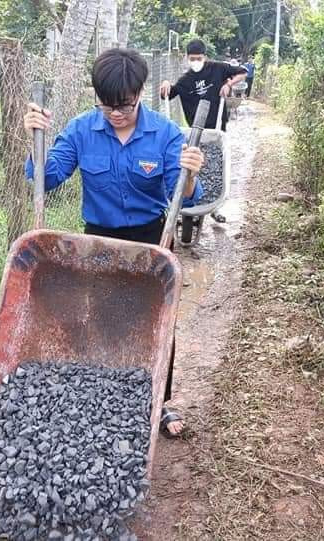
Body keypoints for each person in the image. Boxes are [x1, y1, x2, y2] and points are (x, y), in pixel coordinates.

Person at [23, 48, 205, 438]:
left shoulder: (166, 134)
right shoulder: (81, 130)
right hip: (99, 241)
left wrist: (189, 174)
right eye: (107, 106)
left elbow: (185, 196)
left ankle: (160, 402)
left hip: (151, 239)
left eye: (123, 105)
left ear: (139, 92)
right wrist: (33, 140)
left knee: (156, 323)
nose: (115, 113)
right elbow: (48, 177)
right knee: (100, 321)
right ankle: (104, 395)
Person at [159, 39, 247, 131]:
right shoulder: (184, 81)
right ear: (187, 57)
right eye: (192, 59)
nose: (196, 62)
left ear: (205, 57)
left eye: (199, 58)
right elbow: (167, 94)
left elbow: (243, 72)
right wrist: (166, 83)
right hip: (195, 128)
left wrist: (229, 84)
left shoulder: (217, 68)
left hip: (217, 124)